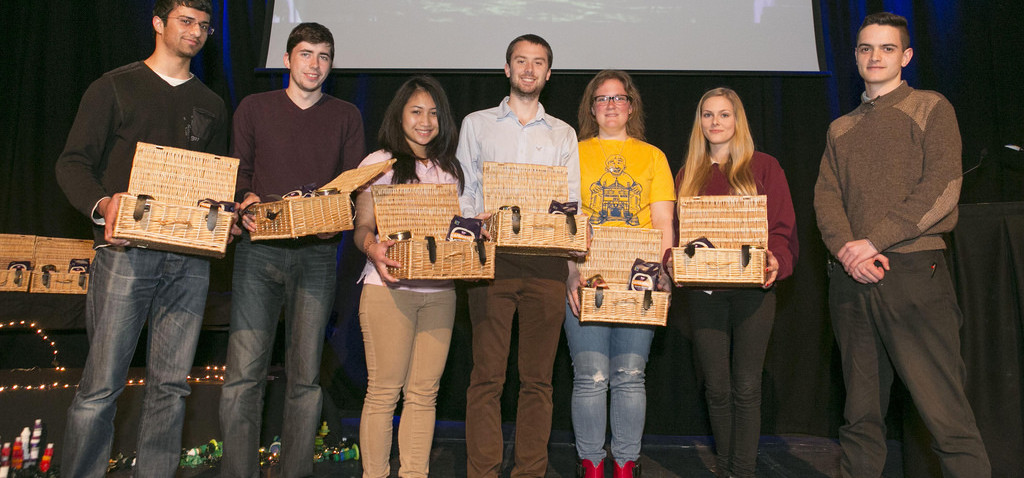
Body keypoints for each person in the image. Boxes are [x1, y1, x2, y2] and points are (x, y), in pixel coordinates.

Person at [53, 0, 228, 476]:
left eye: (205, 26)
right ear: (158, 23)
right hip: (124, 255)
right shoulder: (114, 87)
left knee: (171, 387)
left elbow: (214, 184)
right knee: (102, 385)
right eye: (186, 21)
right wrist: (103, 204)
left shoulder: (211, 104)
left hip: (190, 261)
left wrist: (226, 212)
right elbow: (72, 164)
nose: (196, 32)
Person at [813, 12, 991, 478]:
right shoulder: (840, 128)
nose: (875, 57)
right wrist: (848, 252)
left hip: (913, 274)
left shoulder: (931, 107)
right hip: (852, 283)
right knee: (861, 416)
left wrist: (872, 241)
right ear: (855, 57)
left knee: (944, 412)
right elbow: (826, 199)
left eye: (887, 48)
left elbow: (943, 188)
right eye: (866, 48)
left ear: (906, 56)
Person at [218, 22, 365, 478]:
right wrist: (246, 201)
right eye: (306, 54)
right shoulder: (254, 108)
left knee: (305, 379)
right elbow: (238, 176)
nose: (314, 65)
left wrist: (333, 218)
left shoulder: (346, 116)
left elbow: (353, 188)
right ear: (287, 59)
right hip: (259, 254)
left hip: (318, 258)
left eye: (324, 57)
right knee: (244, 377)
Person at [456, 34, 580, 477]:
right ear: (506, 69)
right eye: (521, 61)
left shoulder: (564, 134)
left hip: (546, 265)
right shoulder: (477, 123)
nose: (529, 69)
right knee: (486, 377)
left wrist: (571, 270)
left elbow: (572, 206)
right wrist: (475, 223)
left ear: (549, 74)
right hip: (492, 261)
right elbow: (464, 190)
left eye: (538, 63)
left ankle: (530, 471)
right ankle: (483, 471)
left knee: (538, 381)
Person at [675, 87, 798, 478]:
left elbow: (782, 228)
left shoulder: (764, 167)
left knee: (746, 387)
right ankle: (724, 467)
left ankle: (741, 470)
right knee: (717, 388)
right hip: (705, 294)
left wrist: (778, 258)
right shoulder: (687, 174)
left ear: (737, 120)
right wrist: (671, 262)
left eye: (724, 115)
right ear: (700, 123)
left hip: (753, 293)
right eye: (708, 115)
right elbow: (674, 235)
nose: (715, 122)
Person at [352, 75, 464, 478]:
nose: (425, 121)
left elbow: (456, 232)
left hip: (440, 294)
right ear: (399, 115)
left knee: (423, 394)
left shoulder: (450, 169)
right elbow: (362, 227)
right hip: (389, 290)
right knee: (383, 393)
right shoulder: (378, 163)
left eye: (434, 113)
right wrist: (372, 247)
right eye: (416, 111)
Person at [564, 70, 675, 478]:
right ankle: (592, 464)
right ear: (590, 108)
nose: (611, 105)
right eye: (602, 98)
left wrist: (664, 271)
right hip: (586, 276)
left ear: (631, 105)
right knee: (591, 377)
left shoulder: (653, 157)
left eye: (619, 97)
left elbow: (664, 221)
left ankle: (626, 464)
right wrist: (571, 273)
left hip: (638, 283)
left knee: (630, 376)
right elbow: (565, 221)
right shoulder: (572, 153)